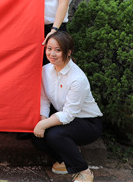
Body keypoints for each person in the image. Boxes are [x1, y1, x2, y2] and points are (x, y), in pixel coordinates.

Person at [31, 31, 103, 182]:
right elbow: (44, 99)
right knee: (36, 136)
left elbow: (69, 114)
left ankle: (84, 172)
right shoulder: (45, 70)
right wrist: (42, 120)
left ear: (68, 52)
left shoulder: (78, 78)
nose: (52, 53)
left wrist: (44, 124)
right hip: (65, 117)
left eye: (58, 50)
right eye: (49, 49)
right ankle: (64, 160)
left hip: (88, 122)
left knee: (54, 134)